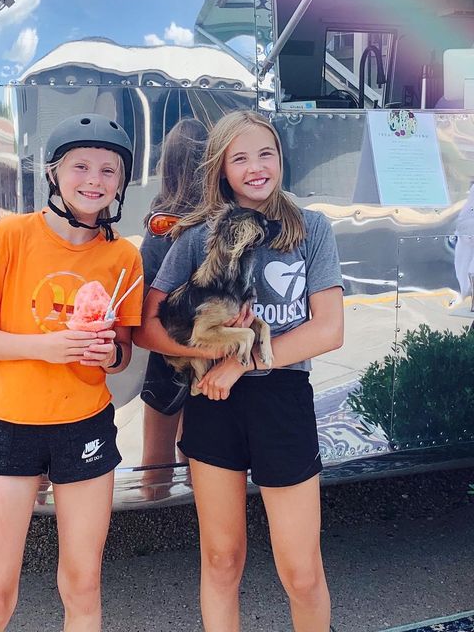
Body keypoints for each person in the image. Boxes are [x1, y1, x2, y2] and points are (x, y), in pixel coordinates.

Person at [134, 110, 343, 632]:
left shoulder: (311, 229)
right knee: (222, 561)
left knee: (301, 571)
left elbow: (328, 331)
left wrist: (237, 363)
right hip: (211, 404)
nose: (256, 168)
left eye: (266, 154)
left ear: (280, 159)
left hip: (282, 401)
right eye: (240, 158)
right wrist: (213, 359)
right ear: (222, 169)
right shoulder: (197, 237)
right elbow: (147, 328)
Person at [0, 113, 143, 632]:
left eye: (109, 170)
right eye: (81, 166)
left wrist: (110, 356)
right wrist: (47, 347)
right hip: (7, 425)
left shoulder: (124, 256)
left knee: (82, 583)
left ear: (121, 183)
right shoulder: (12, 235)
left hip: (84, 426)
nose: (94, 181)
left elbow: (123, 350)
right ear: (55, 175)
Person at [139, 118, 207, 498]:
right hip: (211, 347)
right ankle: (198, 508)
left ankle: (156, 501)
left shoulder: (160, 223)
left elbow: (145, 283)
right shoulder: (219, 220)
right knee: (202, 446)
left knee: (156, 455)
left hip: (167, 348)